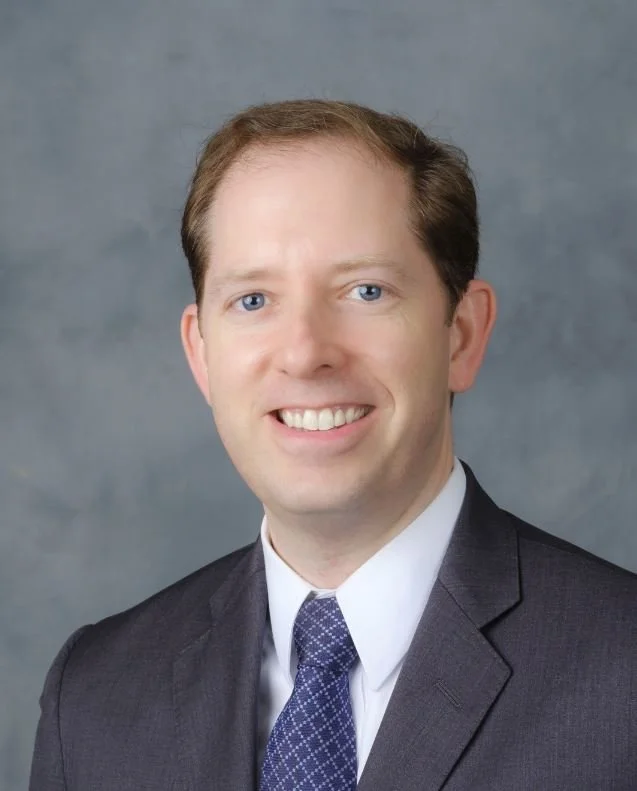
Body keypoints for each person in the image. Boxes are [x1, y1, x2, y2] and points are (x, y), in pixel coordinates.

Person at [30, 99, 637, 791]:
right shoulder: (96, 695)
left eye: (365, 290)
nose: (305, 352)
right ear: (201, 354)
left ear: (460, 336)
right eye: (254, 300)